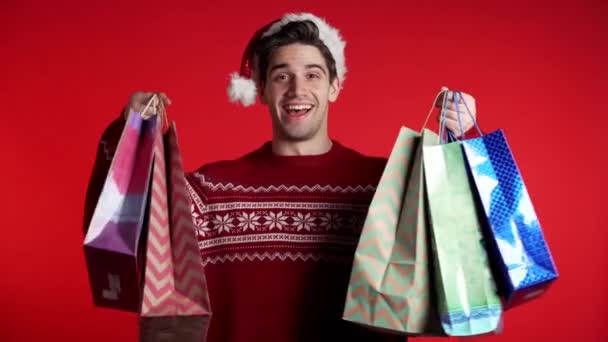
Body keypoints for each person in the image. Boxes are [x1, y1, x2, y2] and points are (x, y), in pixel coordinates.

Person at [87, 12, 477, 342]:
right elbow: (126, 237)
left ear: (335, 87)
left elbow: (461, 255)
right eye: (281, 76)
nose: (297, 89)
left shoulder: (386, 187)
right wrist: (130, 139)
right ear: (260, 90)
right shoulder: (207, 193)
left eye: (312, 75)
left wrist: (460, 146)